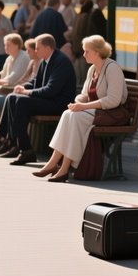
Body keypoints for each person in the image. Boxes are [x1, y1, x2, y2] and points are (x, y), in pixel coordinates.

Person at [34, 35, 128, 182]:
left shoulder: (112, 68)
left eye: (87, 51)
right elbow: (84, 95)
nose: (83, 54)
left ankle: (64, 168)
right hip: (97, 111)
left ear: (97, 52)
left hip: (111, 114)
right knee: (67, 114)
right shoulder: (92, 69)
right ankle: (53, 163)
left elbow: (113, 100)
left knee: (76, 117)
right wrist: (77, 103)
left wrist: (83, 106)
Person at [0, 34, 75, 165]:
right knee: (12, 97)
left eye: (37, 48)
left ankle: (26, 150)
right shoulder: (46, 60)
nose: (35, 51)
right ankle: (7, 141)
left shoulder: (61, 61)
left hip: (58, 103)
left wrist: (27, 92)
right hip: (48, 100)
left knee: (21, 101)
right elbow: (36, 81)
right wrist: (24, 86)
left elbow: (51, 90)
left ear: (47, 47)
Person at [72, 0, 94, 85]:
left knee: (79, 72)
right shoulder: (87, 17)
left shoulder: (78, 16)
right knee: (84, 73)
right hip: (83, 49)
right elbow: (88, 32)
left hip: (77, 48)